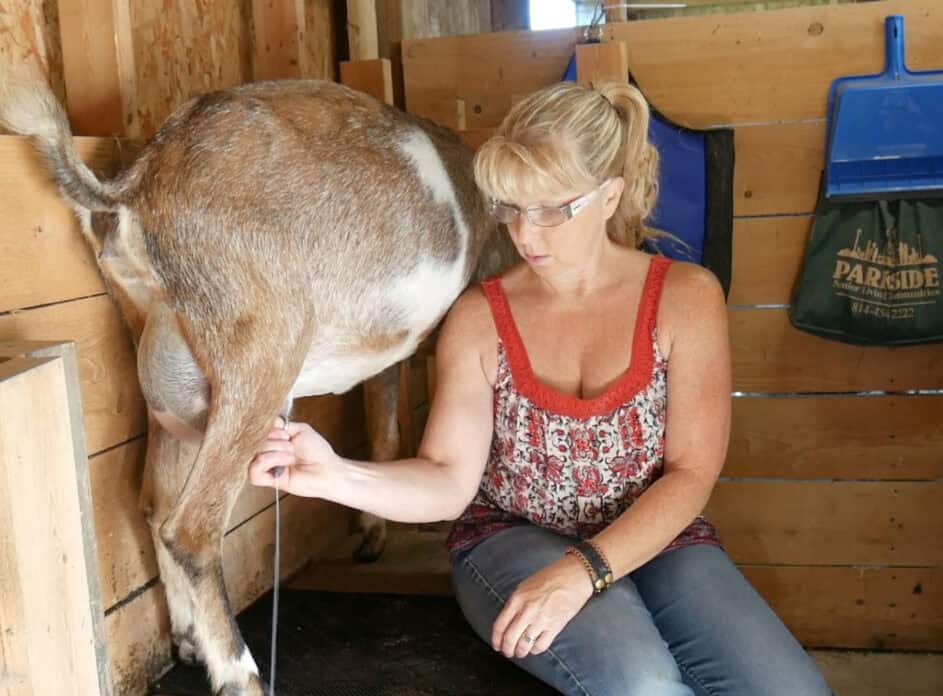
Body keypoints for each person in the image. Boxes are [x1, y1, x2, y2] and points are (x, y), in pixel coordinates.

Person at [250, 81, 831, 696]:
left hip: (656, 535)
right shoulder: (480, 317)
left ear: (609, 196)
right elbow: (448, 479)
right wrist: (337, 474)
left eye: (553, 208)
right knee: (643, 684)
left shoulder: (685, 297)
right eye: (511, 207)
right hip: (511, 536)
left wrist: (585, 570)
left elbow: (691, 472)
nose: (527, 234)